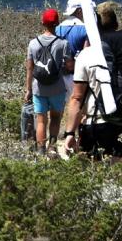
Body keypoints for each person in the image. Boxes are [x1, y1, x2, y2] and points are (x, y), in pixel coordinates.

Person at [63, 1, 122, 161]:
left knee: (95, 172)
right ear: (117, 23)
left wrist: (70, 133)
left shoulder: (86, 55)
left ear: (94, 25)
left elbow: (77, 98)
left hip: (97, 122)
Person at [25, 8, 74, 157]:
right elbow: (69, 65)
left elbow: (29, 68)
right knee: (55, 118)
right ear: (57, 23)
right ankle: (52, 148)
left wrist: (28, 89)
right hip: (57, 88)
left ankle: (41, 150)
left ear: (42, 23)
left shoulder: (33, 43)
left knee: (41, 121)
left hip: (38, 88)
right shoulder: (63, 43)